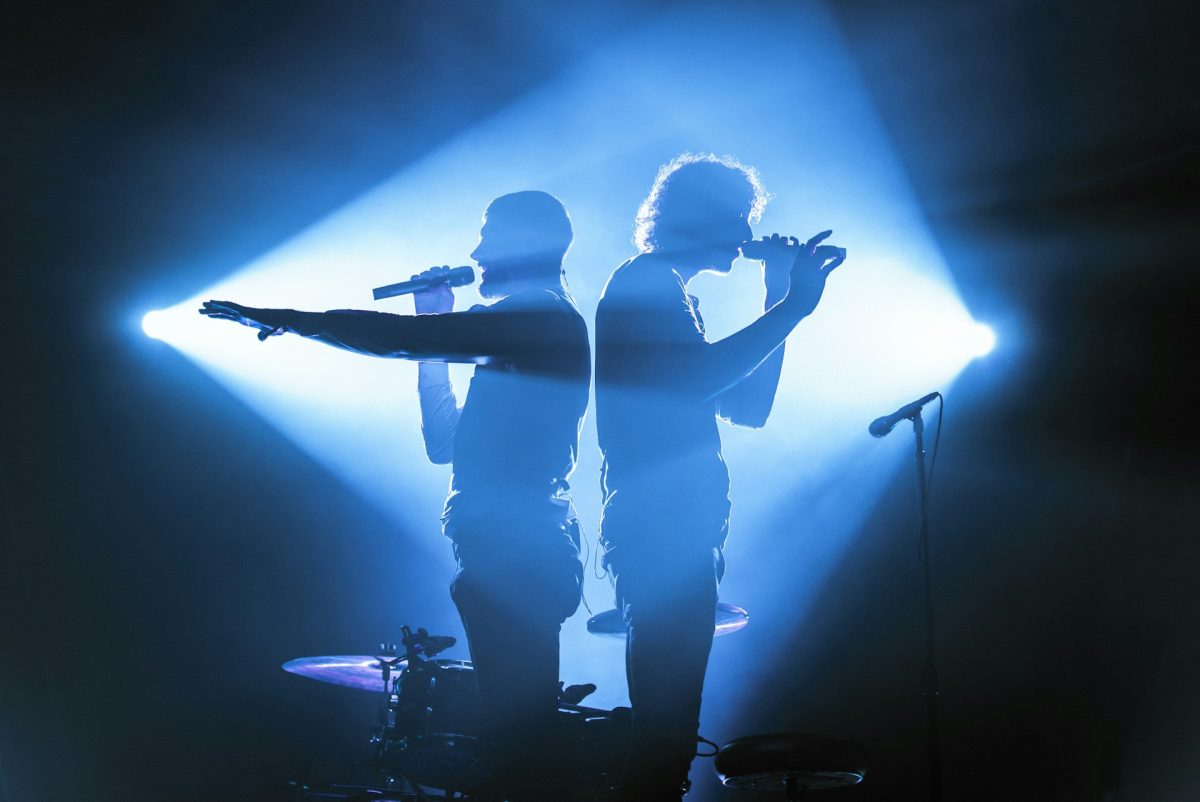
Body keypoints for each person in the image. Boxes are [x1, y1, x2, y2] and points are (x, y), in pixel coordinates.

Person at [200, 191, 591, 802]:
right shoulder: (520, 330)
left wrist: (288, 318)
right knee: (512, 736)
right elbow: (444, 443)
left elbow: (392, 338)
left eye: (488, 235)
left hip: (522, 547)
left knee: (520, 746)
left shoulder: (540, 316)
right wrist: (433, 330)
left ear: (524, 243)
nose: (476, 251)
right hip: (503, 546)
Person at [594, 154, 846, 801]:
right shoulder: (643, 285)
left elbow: (750, 408)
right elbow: (701, 381)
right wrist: (792, 307)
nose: (744, 235)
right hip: (661, 530)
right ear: (696, 218)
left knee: (669, 733)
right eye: (737, 219)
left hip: (677, 528)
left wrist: (776, 299)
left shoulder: (672, 295)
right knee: (664, 735)